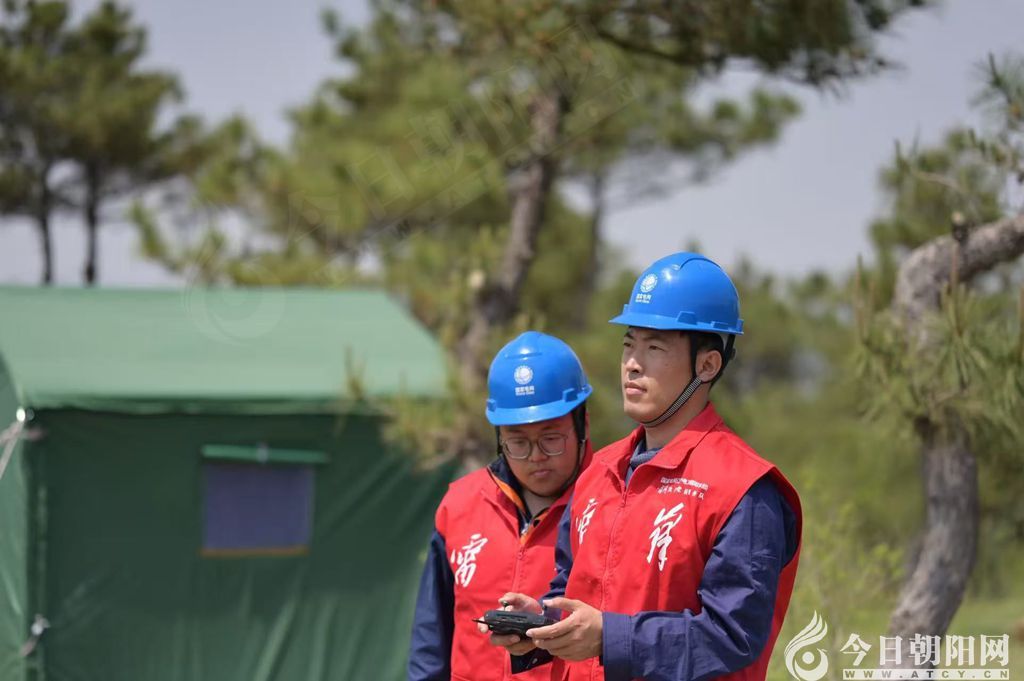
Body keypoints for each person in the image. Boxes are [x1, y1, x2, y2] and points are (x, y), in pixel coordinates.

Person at [488, 252, 803, 681]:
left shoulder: (744, 489)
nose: (632, 363)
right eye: (628, 344)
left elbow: (733, 636)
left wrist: (608, 638)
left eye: (654, 347)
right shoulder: (599, 473)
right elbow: (573, 589)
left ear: (707, 365)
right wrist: (543, 621)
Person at [408, 331, 594, 681]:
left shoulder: (613, 504)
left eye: (551, 438)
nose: (536, 456)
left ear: (582, 423)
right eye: (518, 443)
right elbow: (430, 637)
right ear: (499, 438)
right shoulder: (459, 505)